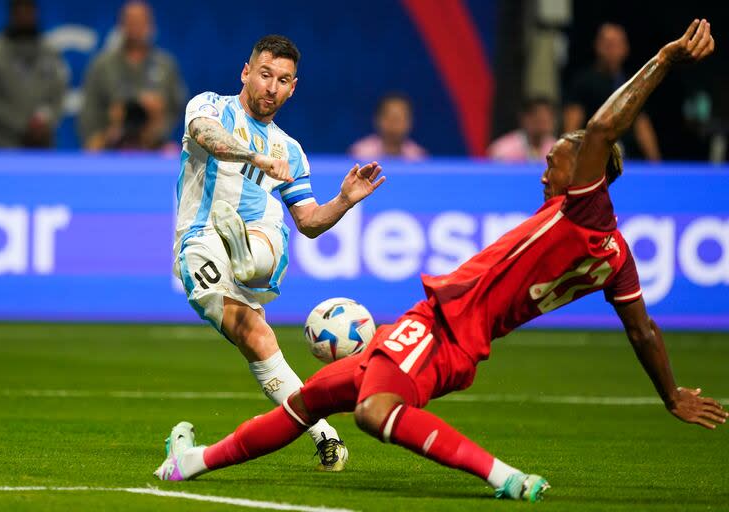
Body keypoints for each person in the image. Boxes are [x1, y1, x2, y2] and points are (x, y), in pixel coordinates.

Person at [155, 20, 727, 501]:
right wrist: (671, 394)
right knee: (312, 398)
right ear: (245, 72)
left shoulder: (583, 208)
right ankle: (191, 463)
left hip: (445, 321)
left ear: (587, 175)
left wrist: (665, 57)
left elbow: (604, 126)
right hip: (457, 339)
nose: (544, 170)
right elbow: (644, 330)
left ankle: (503, 476)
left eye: (556, 161)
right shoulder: (615, 256)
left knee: (375, 412)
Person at [170, 35, 386, 471]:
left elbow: (307, 222)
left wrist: (344, 200)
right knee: (257, 337)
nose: (271, 86)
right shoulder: (211, 105)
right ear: (246, 72)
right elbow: (204, 135)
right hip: (199, 237)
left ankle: (249, 256)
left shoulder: (290, 150)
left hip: (259, 237)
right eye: (265, 74)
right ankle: (325, 435)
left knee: (267, 236)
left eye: (282, 80)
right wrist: (255, 157)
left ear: (293, 87)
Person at [78, 0, 185, 150]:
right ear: (121, 25)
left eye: (140, 21)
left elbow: (177, 108)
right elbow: (89, 110)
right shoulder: (102, 66)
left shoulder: (166, 65)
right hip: (111, 147)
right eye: (131, 21)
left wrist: (157, 120)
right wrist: (106, 130)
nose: (136, 27)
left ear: (151, 25)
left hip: (155, 147)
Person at [0, 0, 68, 148]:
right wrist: (22, 125)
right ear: (12, 14)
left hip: (43, 143)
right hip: (4, 144)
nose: (25, 16)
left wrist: (45, 121)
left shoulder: (50, 52)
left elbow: (59, 94)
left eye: (29, 11)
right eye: (21, 11)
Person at [564, 23, 661, 161]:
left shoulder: (634, 83)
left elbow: (642, 125)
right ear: (597, 46)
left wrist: (656, 164)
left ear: (626, 48)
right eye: (607, 44)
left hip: (627, 162)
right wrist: (567, 159)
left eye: (617, 44)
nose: (612, 49)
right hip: (591, 162)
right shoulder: (583, 82)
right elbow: (572, 125)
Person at [349, 93, 427, 160]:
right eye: (390, 118)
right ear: (377, 119)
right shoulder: (360, 154)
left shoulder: (418, 157)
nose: (394, 124)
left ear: (410, 121)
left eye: (399, 119)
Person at [488, 97, 557, 162]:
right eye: (539, 120)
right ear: (525, 119)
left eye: (546, 120)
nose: (543, 126)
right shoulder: (503, 150)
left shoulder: (557, 148)